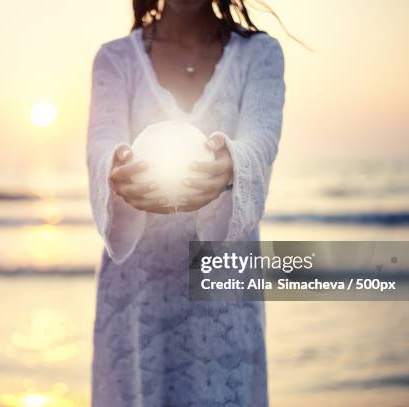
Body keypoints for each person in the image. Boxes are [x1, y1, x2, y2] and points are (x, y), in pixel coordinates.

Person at [86, 0, 285, 405]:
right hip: (138, 286)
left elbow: (261, 139)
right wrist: (118, 171)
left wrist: (232, 165)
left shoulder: (260, 54)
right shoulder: (116, 59)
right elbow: (101, 144)